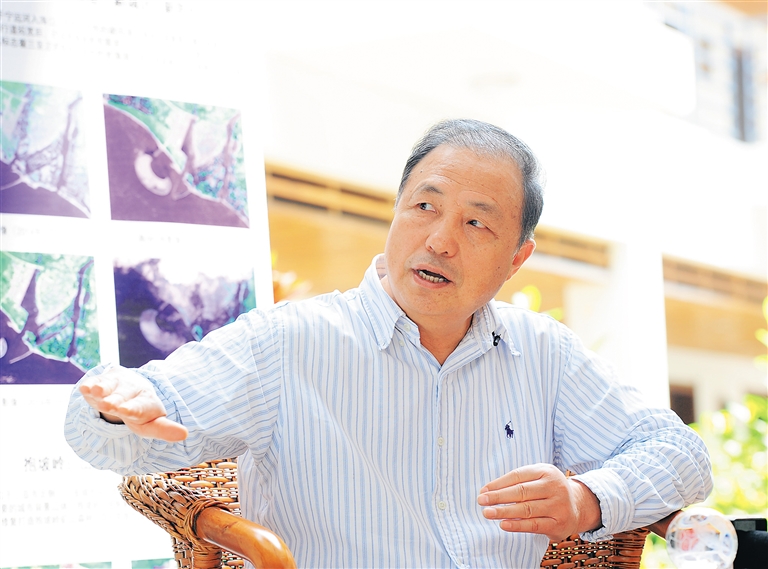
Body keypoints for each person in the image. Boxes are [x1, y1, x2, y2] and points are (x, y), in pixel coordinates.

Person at [65, 119, 712, 568]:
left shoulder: (543, 353)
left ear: (517, 258)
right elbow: (122, 430)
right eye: (424, 207)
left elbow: (680, 453)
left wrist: (587, 499)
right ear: (396, 210)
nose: (440, 240)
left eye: (476, 223)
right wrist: (118, 407)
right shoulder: (288, 343)